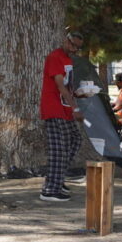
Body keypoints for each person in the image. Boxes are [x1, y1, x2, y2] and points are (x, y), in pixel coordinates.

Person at [39, 31, 86, 202]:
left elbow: (67, 86)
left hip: (65, 108)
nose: (74, 49)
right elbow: (59, 85)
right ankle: (50, 190)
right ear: (65, 41)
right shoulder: (55, 57)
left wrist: (79, 95)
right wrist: (75, 108)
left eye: (78, 48)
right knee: (58, 148)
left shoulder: (68, 59)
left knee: (75, 140)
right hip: (54, 108)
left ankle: (56, 179)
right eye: (72, 45)